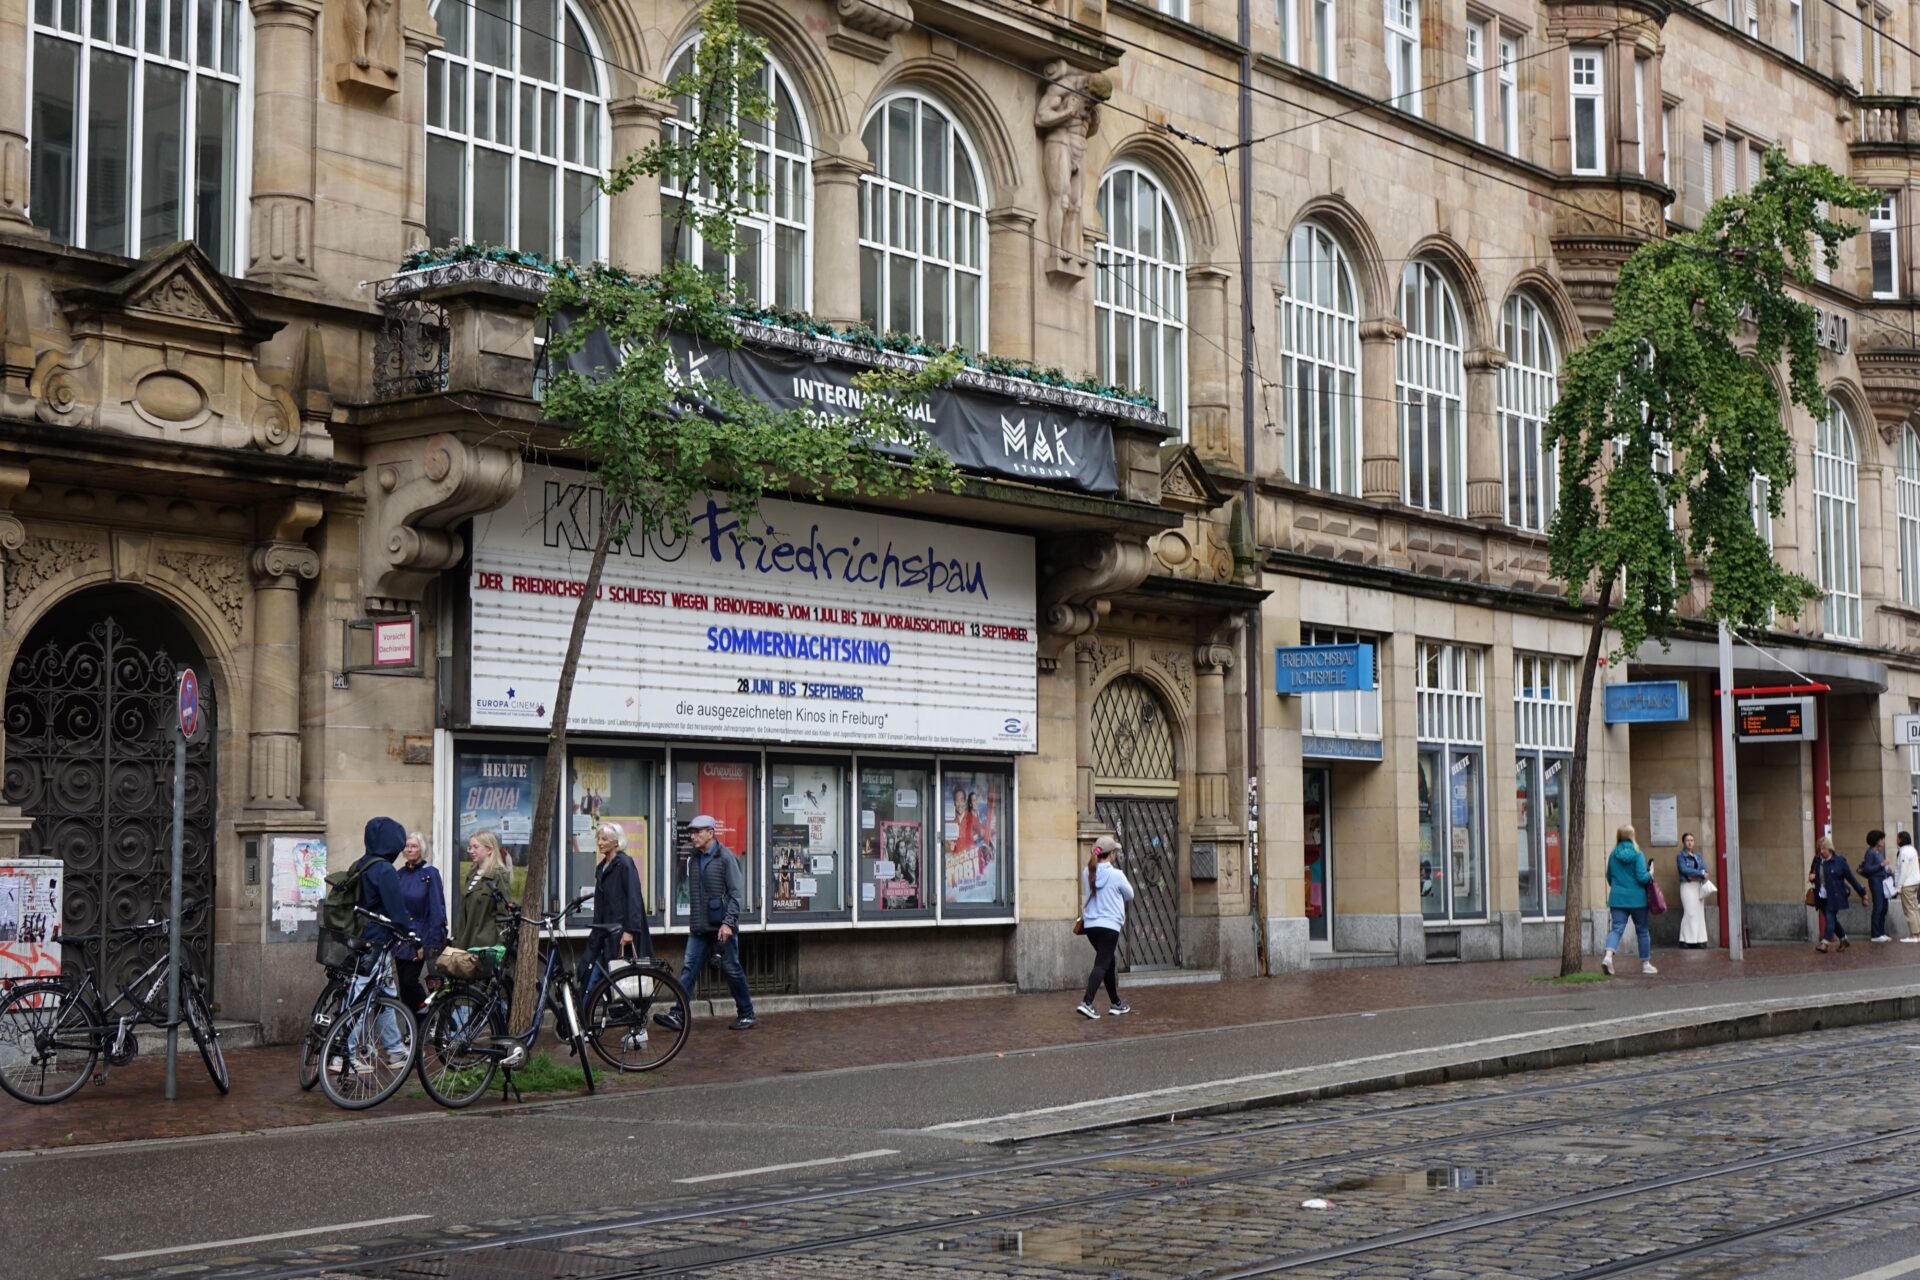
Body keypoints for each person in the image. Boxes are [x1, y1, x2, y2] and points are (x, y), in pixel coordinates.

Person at [656, 815, 755, 1032]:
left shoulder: (726, 857)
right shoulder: (692, 858)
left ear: (711, 833)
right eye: (691, 832)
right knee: (689, 969)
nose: (693, 836)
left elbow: (736, 894)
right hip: (699, 927)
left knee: (732, 969)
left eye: (698, 832)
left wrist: (728, 923)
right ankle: (678, 1015)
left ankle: (746, 1013)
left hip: (722, 927)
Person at [348, 816, 422, 1069]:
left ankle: (395, 1049)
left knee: (386, 994)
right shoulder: (384, 870)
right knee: (359, 1001)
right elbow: (396, 910)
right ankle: (341, 1054)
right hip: (376, 942)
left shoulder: (361, 864)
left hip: (357, 938)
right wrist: (412, 934)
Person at [1076, 835, 1135, 1020]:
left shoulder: (1087, 872)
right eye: (1114, 852)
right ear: (1111, 855)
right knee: (1102, 964)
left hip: (1091, 926)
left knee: (1109, 962)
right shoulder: (1116, 875)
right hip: (1109, 926)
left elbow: (1088, 893)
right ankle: (1087, 1002)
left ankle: (1116, 1003)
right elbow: (1130, 895)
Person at [588, 822, 652, 989]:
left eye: (604, 839)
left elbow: (634, 898)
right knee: (597, 977)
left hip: (621, 933)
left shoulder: (625, 864)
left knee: (616, 979)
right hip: (605, 932)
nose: (600, 842)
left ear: (616, 842)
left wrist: (630, 931)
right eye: (599, 839)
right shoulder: (602, 867)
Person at [394, 830, 447, 1009]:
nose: (409, 849)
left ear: (421, 849)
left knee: (410, 982)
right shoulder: (399, 874)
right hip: (401, 937)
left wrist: (430, 944)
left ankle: (426, 1014)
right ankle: (414, 1025)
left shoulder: (430, 874)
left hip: (421, 936)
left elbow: (437, 909)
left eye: (414, 846)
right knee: (403, 986)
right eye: (407, 846)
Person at [1601, 824, 1657, 976]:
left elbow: (1609, 876)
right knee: (1643, 931)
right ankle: (1645, 964)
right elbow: (1642, 877)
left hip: (1618, 898)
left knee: (1616, 929)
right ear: (1633, 836)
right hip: (1638, 899)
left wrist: (1619, 887)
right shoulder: (1638, 854)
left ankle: (1608, 958)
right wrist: (1650, 872)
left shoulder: (1613, 855)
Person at [452, 831, 513, 952]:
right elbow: (464, 911)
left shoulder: (498, 874)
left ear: (489, 850)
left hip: (485, 945)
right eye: (470, 847)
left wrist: (500, 945)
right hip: (465, 942)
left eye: (476, 847)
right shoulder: (471, 874)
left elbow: (504, 913)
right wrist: (456, 939)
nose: (471, 851)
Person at [1812, 836, 1869, 953]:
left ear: (1830, 848)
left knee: (1829, 917)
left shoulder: (1839, 862)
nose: (1821, 851)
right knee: (1832, 920)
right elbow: (1813, 875)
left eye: (1823, 849)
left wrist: (1863, 894)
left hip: (1836, 896)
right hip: (1822, 896)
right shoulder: (1817, 861)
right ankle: (1844, 940)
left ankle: (1825, 943)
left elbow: (1851, 879)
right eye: (1819, 849)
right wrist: (1812, 877)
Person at [1862, 829, 1895, 942]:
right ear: (1876, 841)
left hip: (1883, 880)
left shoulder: (1878, 853)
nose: (1883, 841)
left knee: (1884, 907)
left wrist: (1887, 869)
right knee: (1878, 906)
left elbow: (1880, 867)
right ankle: (1875, 934)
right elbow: (1867, 868)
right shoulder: (1870, 852)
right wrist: (1881, 864)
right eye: (1882, 839)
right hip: (1875, 881)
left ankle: (1881, 932)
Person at [1897, 832, 1920, 944]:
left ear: (1901, 839)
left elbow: (1903, 870)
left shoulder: (1904, 852)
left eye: (1897, 838)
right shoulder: (1912, 850)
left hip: (1907, 884)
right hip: (1915, 882)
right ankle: (1917, 934)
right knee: (1914, 908)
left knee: (1909, 910)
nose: (1896, 840)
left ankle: (1913, 935)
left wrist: (1899, 886)